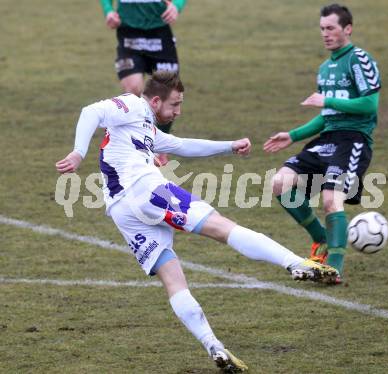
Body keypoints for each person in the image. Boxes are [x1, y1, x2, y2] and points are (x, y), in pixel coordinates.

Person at [56, 71, 338, 371]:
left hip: (122, 211)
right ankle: (296, 263)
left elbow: (180, 145)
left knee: (172, 278)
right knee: (222, 227)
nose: (178, 111)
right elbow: (92, 111)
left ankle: (213, 346)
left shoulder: (145, 129)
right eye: (174, 104)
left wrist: (229, 145)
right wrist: (77, 153)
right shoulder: (133, 105)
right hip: (145, 189)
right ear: (154, 100)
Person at [264, 4, 381, 282]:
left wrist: (327, 100)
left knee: (331, 199)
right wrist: (291, 136)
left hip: (353, 140)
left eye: (331, 28)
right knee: (280, 183)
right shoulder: (325, 68)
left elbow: (369, 104)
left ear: (347, 29)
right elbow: (326, 117)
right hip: (328, 139)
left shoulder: (359, 59)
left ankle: (334, 267)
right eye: (322, 29)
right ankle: (321, 239)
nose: (325, 34)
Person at [99, 0, 187, 165]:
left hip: (160, 33)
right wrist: (109, 11)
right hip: (129, 34)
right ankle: (136, 142)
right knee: (133, 88)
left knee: (169, 93)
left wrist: (177, 5)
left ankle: (160, 146)